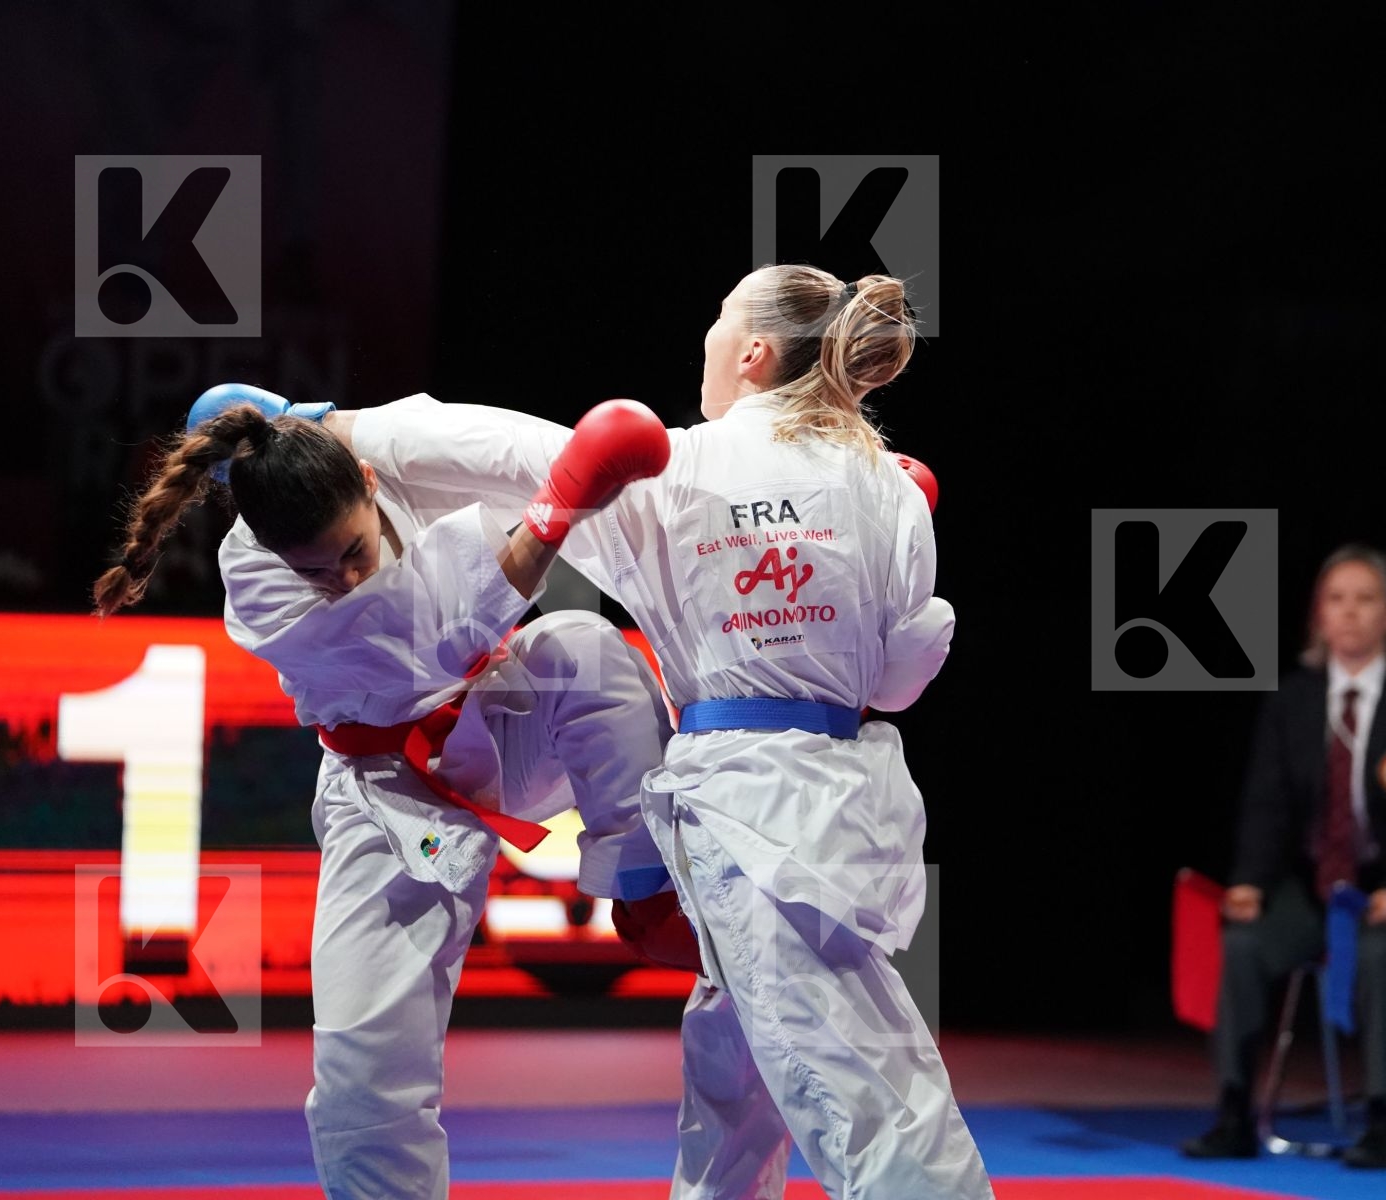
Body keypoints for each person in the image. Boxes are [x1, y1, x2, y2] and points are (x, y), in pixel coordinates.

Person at [344, 266, 991, 1197]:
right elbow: (895, 683)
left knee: (861, 1089)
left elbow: (504, 449)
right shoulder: (886, 484)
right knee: (739, 1082)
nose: (709, 334)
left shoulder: (676, 471)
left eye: (721, 318)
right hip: (846, 800)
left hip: (744, 810)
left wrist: (331, 424)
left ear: (754, 353)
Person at [92, 384, 698, 1200]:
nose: (343, 577)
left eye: (354, 550)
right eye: (319, 568)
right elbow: (432, 641)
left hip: (496, 727)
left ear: (369, 483)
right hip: (386, 794)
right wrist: (554, 514)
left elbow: (521, 448)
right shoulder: (256, 578)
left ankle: (645, 893)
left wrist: (678, 501)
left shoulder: (392, 442)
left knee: (586, 649)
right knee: (360, 1076)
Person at [1182, 543, 1386, 1170]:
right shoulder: (1293, 703)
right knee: (1245, 941)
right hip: (1314, 888)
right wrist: (1250, 881)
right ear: (1318, 616)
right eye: (1337, 600)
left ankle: (1384, 1120)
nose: (1350, 613)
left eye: (1366, 600)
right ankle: (1233, 1112)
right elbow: (1267, 805)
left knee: (1383, 950)